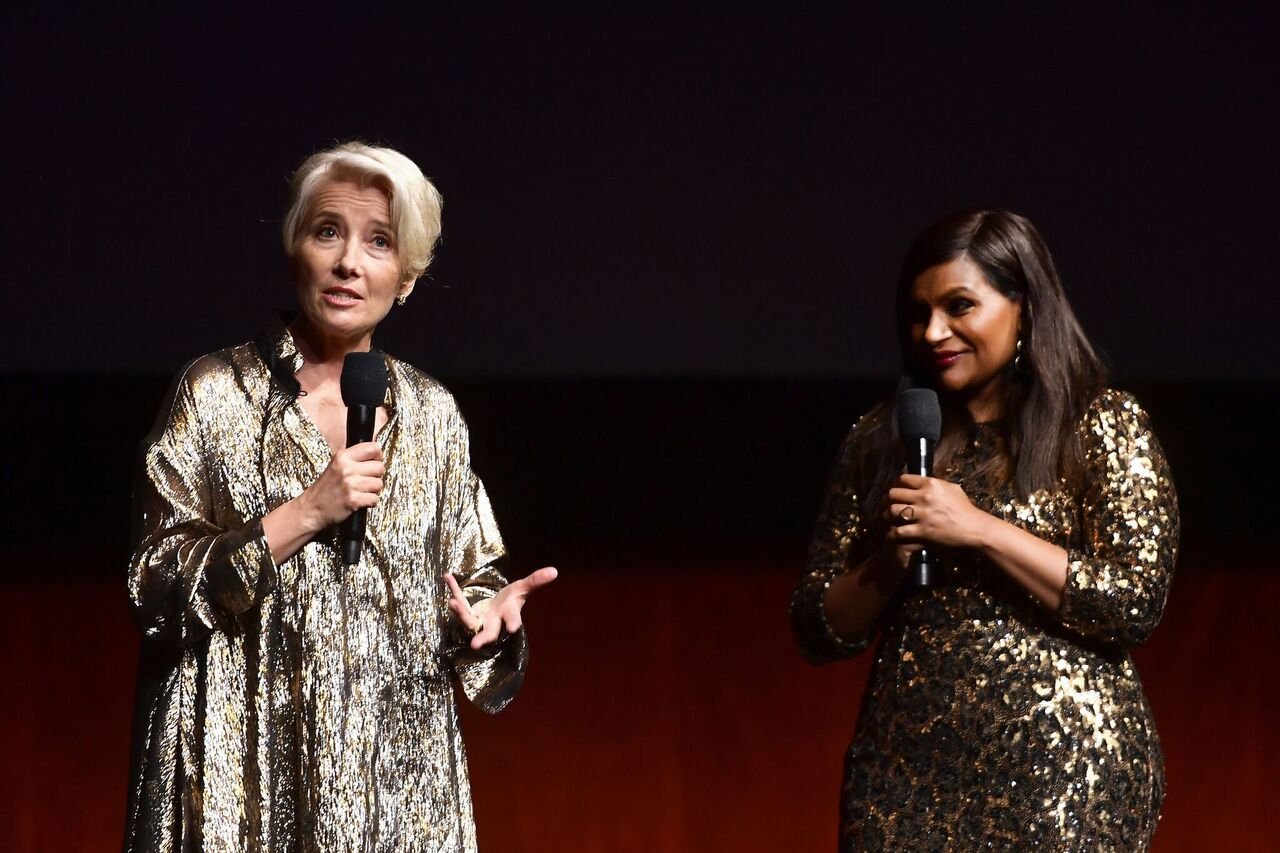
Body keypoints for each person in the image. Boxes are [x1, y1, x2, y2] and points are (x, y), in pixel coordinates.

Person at [125, 142, 556, 852]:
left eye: (378, 241)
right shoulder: (212, 396)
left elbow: (470, 586)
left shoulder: (434, 416)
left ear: (407, 275)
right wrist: (301, 515)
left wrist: (486, 624)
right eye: (328, 231)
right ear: (295, 245)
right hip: (241, 784)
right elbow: (152, 585)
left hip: (397, 786)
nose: (348, 261)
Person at [790, 210, 1177, 850]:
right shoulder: (880, 439)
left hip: (1064, 774)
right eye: (918, 313)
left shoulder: (1098, 425)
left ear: (1023, 305)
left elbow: (1134, 602)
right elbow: (815, 627)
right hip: (903, 778)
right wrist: (888, 561)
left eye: (959, 305)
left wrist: (978, 529)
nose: (933, 331)